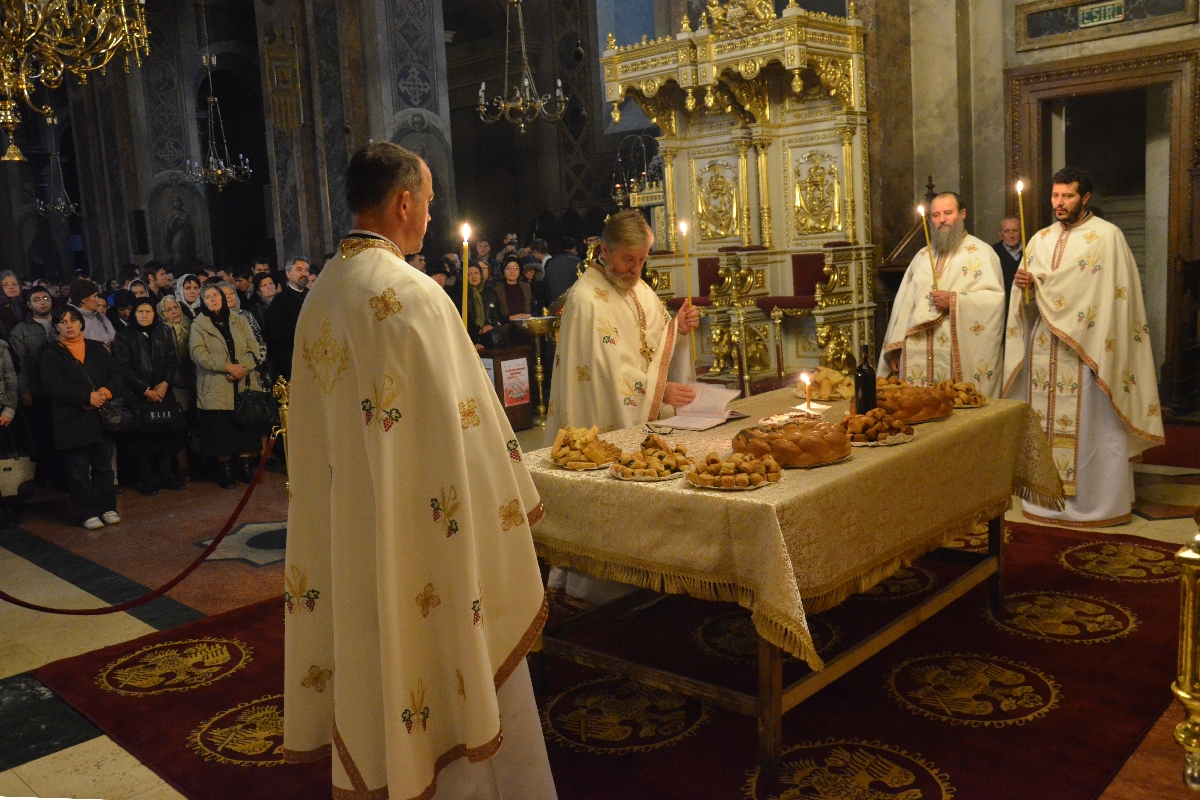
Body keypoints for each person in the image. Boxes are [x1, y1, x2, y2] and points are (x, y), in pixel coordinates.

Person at [283, 142, 555, 800]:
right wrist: (513, 499)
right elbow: (473, 429)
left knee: (374, 649)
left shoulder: (320, 295)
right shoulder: (414, 298)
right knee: (449, 654)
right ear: (404, 202)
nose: (431, 215)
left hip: (352, 528)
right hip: (426, 532)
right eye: (429, 201)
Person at [544, 210, 700, 605]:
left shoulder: (637, 288)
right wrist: (659, 392)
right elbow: (606, 373)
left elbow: (653, 338)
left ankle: (643, 573)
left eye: (643, 259)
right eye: (628, 259)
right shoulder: (585, 298)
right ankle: (596, 587)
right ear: (603, 250)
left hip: (638, 415)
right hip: (600, 416)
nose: (635, 268)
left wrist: (678, 328)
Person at [1005, 166, 1164, 527]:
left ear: (1085, 197)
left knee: (1093, 428)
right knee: (1043, 426)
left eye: (1068, 196)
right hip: (1045, 350)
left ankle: (1099, 502)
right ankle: (1044, 501)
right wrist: (1024, 287)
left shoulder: (1108, 237)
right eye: (1055, 196)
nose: (1059, 203)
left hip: (1088, 352)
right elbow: (1028, 301)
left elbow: (1116, 300)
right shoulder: (1039, 239)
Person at [877, 192, 1006, 397]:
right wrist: (895, 348)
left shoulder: (982, 253)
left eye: (948, 212)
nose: (942, 219)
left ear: (962, 214)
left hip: (954, 353)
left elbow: (994, 302)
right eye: (935, 215)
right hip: (916, 352)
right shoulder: (921, 257)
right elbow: (902, 305)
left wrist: (954, 300)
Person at [40, 306, 122, 530]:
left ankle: (107, 507)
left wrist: (104, 394)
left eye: (73, 321)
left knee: (103, 466)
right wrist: (86, 397)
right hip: (71, 420)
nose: (69, 325)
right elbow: (54, 386)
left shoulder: (96, 348)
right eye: (63, 322)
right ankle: (86, 512)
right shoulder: (51, 354)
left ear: (81, 324)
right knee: (78, 471)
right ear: (56, 326)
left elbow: (116, 375)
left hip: (99, 417)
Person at [189, 284, 264, 488]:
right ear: (203, 302)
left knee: (245, 429)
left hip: (242, 381)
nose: (213, 299)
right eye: (208, 297)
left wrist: (241, 369)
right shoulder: (199, 324)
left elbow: (253, 347)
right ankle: (226, 471)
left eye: (216, 295)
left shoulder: (238, 320)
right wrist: (227, 367)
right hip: (216, 383)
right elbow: (198, 354)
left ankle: (246, 467)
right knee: (221, 431)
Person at [113, 299, 184, 494]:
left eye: (149, 311)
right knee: (143, 440)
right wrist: (145, 390)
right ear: (133, 314)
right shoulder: (124, 335)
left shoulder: (163, 331)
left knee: (165, 435)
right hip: (138, 394)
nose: (144, 315)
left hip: (163, 392)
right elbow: (123, 367)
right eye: (140, 311)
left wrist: (164, 383)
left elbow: (172, 359)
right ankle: (147, 480)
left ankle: (168, 476)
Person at [11, 287, 60, 485]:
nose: (42, 302)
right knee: (44, 434)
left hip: (61, 389)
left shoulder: (61, 322)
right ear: (29, 304)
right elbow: (19, 364)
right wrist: (25, 390)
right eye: (37, 299)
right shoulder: (21, 330)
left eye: (46, 298)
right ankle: (48, 478)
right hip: (38, 389)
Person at [265, 256, 310, 379]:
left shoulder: (313, 297)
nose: (304, 273)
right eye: (299, 269)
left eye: (306, 270)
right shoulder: (280, 301)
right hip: (290, 358)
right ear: (288, 273)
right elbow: (276, 334)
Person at [156, 295, 196, 413]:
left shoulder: (192, 326)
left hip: (195, 380)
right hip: (175, 385)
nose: (174, 312)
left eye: (175, 307)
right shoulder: (161, 332)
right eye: (168, 310)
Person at [217, 281, 267, 362]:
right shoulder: (215, 318)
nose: (229, 297)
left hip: (251, 365)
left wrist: (256, 364)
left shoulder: (245, 315)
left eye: (231, 293)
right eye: (225, 294)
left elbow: (259, 342)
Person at [465, 263, 504, 350]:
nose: (473, 276)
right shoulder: (462, 293)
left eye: (476, 273)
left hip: (489, 336)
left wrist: (491, 326)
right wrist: (478, 330)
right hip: (470, 338)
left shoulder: (489, 291)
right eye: (469, 274)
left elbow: (496, 313)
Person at [69, 279, 116, 349]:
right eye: (94, 296)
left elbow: (113, 338)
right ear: (84, 299)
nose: (97, 299)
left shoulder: (100, 316)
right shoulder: (71, 320)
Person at [543, 236, 582, 307]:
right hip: (572, 304)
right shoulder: (578, 262)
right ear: (574, 248)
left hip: (553, 305)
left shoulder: (550, 262)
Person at [993, 217, 1023, 301]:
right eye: (1007, 231)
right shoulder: (992, 252)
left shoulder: (1030, 250)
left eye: (1015, 230)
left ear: (1021, 232)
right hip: (1002, 302)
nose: (1011, 235)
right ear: (1001, 234)